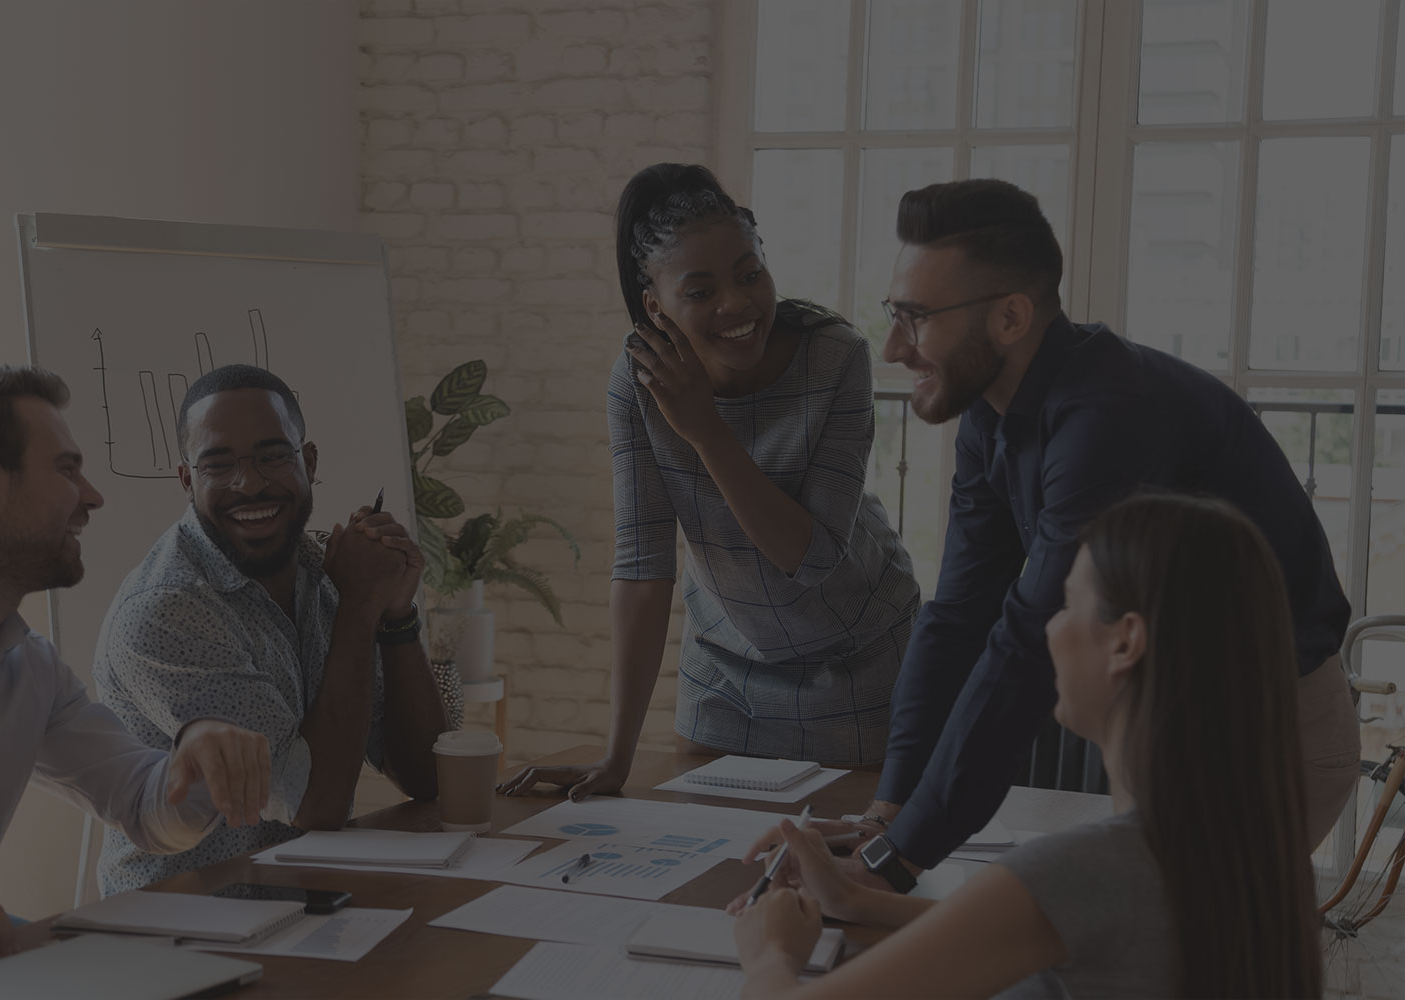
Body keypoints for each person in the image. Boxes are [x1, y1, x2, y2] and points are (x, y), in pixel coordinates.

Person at [838, 179, 1355, 880]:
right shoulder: (991, 412)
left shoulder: (1108, 420)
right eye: (893, 312)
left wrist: (896, 862)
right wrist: (888, 815)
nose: (894, 346)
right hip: (1169, 717)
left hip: (1264, 729)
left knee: (1178, 967)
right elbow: (960, 615)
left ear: (1012, 318)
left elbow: (1025, 644)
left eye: (917, 316)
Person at [734, 493, 1323, 999]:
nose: (1051, 628)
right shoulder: (1231, 850)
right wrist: (856, 900)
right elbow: (1059, 926)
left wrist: (770, 956)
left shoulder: (1089, 866)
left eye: (1069, 605)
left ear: (1126, 643)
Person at [500, 164, 920, 798]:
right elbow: (643, 566)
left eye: (750, 275)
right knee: (702, 872)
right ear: (655, 304)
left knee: (839, 877)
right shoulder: (637, 382)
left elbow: (808, 557)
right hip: (726, 672)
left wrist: (706, 430)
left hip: (861, 664)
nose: (736, 305)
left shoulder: (836, 357)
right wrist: (617, 758)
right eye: (699, 292)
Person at [0, 365, 272, 968]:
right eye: (66, 469)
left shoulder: (32, 671)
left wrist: (199, 751)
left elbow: (147, 808)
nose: (93, 496)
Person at [93, 364, 447, 894]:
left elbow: (426, 776)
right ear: (188, 480)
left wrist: (395, 617)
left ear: (307, 461)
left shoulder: (319, 568)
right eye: (218, 464)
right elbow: (315, 804)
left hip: (304, 897)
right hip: (185, 921)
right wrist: (358, 607)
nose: (250, 482)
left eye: (272, 456)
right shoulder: (166, 610)